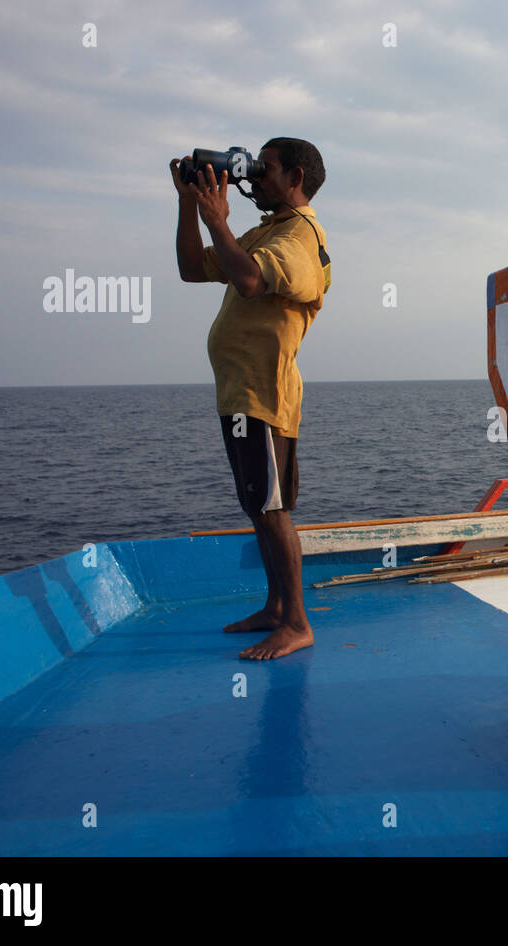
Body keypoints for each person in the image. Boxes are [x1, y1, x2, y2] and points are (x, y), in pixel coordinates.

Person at [170, 138, 331, 660]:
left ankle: (298, 622)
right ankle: (275, 607)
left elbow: (249, 280)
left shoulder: (299, 237)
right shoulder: (267, 231)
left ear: (296, 178)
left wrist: (219, 220)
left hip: (265, 393)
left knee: (273, 507)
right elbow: (193, 267)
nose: (256, 178)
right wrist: (189, 206)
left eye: (267, 168)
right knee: (257, 506)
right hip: (240, 393)